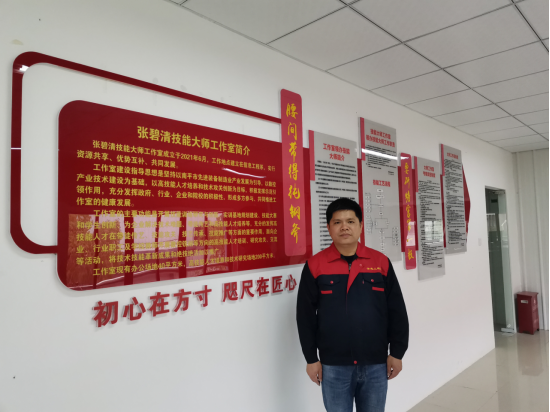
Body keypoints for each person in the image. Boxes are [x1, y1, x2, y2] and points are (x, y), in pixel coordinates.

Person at [296, 198, 409, 412]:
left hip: (376, 362)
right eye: (337, 222)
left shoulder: (380, 262)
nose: (344, 227)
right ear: (329, 227)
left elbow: (397, 310)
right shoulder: (315, 265)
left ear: (360, 225)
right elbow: (305, 316)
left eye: (350, 221)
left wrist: (397, 352)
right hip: (333, 365)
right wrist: (311, 359)